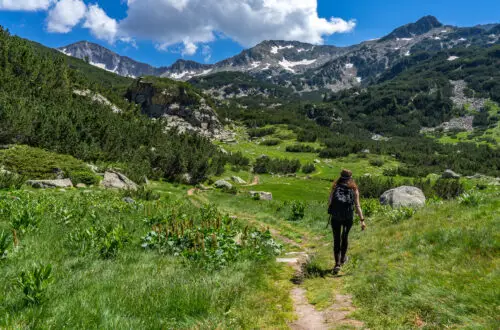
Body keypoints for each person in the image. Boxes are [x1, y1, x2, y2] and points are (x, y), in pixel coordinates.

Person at [328, 169, 366, 274]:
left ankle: (337, 264)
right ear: (350, 178)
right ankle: (343, 259)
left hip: (336, 217)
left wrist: (335, 210)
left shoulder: (335, 187)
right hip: (348, 218)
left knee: (336, 239)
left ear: (340, 176)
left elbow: (329, 202)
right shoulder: (354, 189)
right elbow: (357, 205)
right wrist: (362, 220)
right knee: (344, 237)